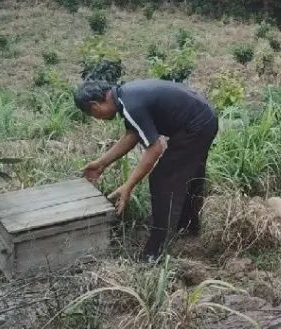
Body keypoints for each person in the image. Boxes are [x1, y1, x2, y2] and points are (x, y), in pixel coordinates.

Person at [75, 79, 219, 261]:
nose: (98, 118)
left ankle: (155, 251)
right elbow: (132, 135)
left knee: (163, 180)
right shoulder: (127, 97)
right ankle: (188, 227)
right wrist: (101, 163)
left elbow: (155, 149)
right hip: (204, 118)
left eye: (93, 114)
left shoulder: (131, 105)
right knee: (188, 174)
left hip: (196, 125)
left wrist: (129, 185)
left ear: (94, 105)